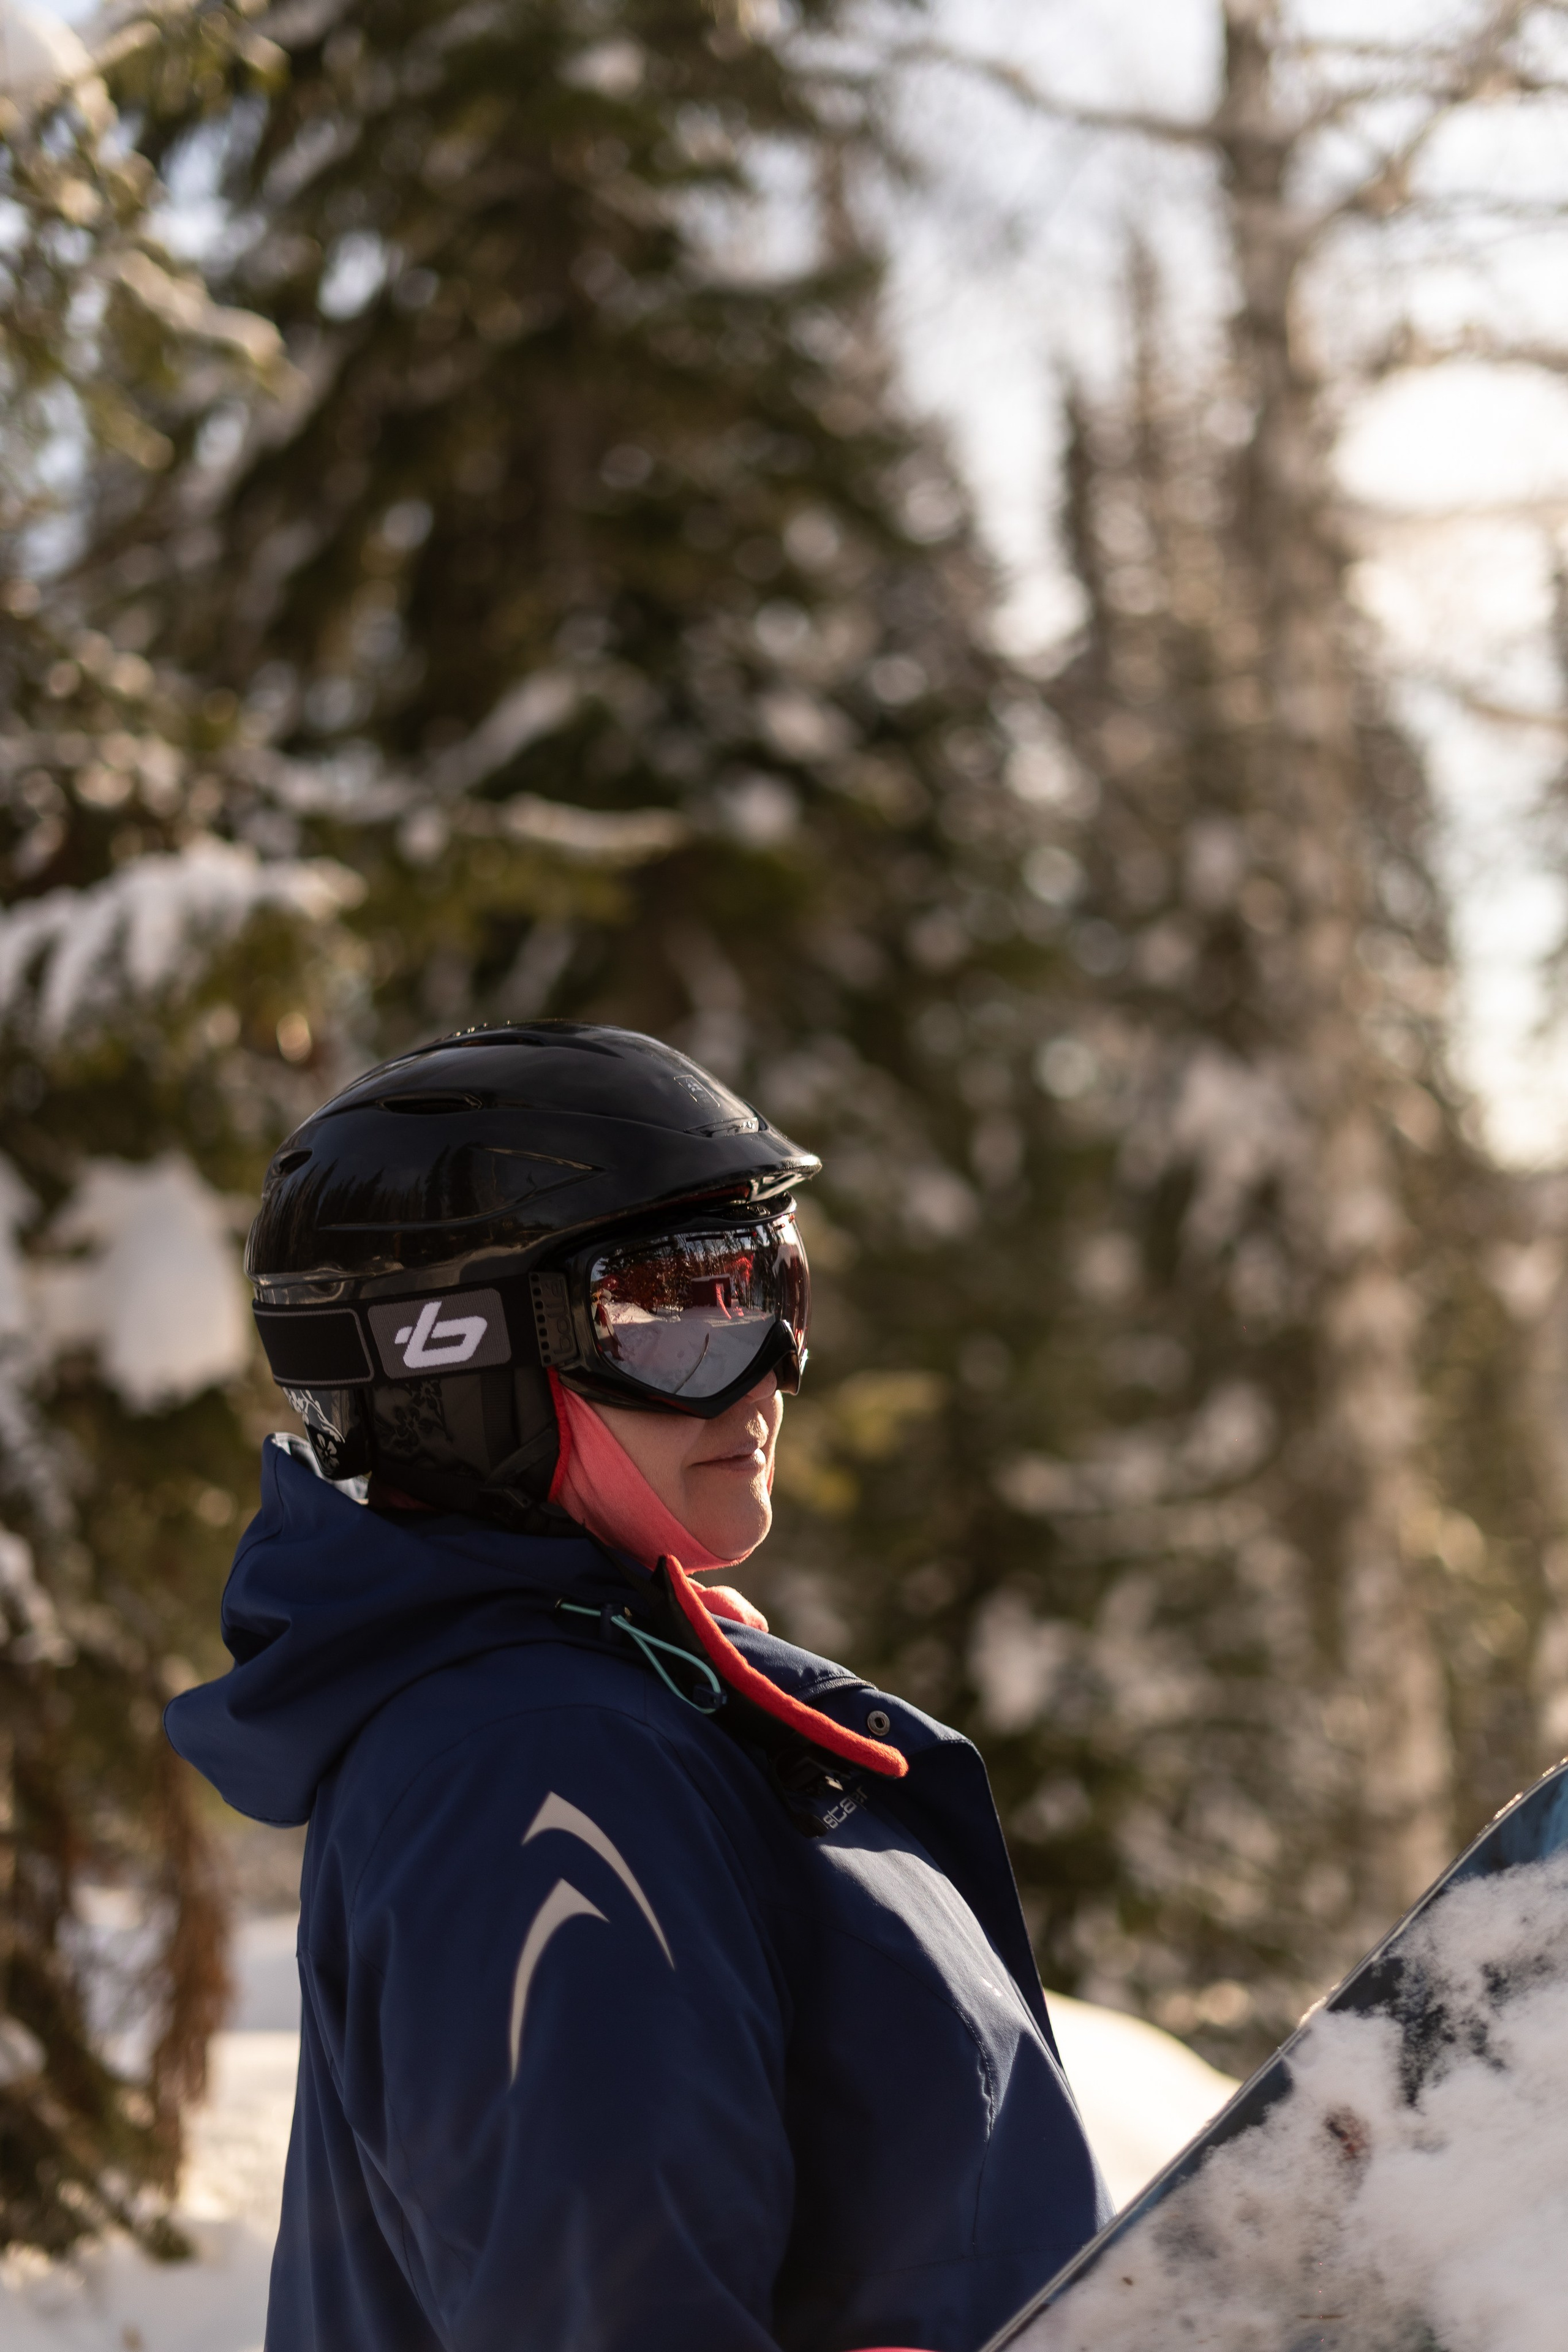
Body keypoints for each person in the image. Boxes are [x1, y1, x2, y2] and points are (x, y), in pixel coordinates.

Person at [166, 1021, 1109, 2352]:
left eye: (769, 1287)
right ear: (453, 1359)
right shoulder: (533, 1765)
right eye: (668, 1315)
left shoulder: (614, 1698)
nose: (766, 1369)